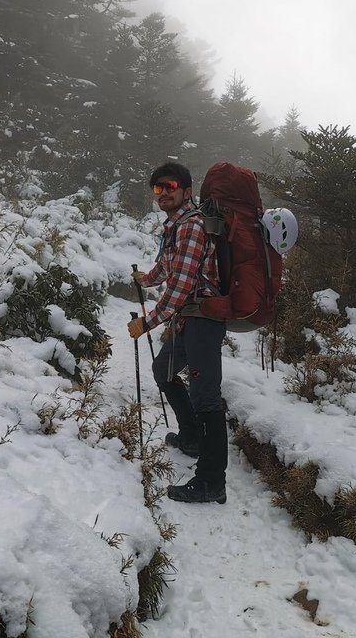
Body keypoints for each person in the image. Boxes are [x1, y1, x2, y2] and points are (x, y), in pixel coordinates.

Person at [126, 162, 228, 504]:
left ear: (186, 189)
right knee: (163, 370)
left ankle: (212, 481)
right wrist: (147, 279)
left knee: (207, 398)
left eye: (169, 186)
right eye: (157, 188)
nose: (164, 193)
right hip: (187, 319)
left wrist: (148, 321)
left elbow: (182, 285)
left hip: (203, 319)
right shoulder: (176, 226)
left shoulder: (192, 226)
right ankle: (191, 438)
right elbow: (171, 267)